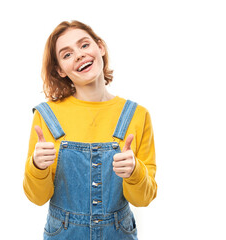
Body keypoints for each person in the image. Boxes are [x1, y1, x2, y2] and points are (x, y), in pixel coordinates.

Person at [23, 20, 157, 240]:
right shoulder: (46, 116)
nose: (78, 55)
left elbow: (144, 199)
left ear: (100, 47)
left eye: (84, 45)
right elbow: (37, 198)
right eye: (66, 55)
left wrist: (134, 171)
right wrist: (37, 165)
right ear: (60, 70)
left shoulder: (137, 114)